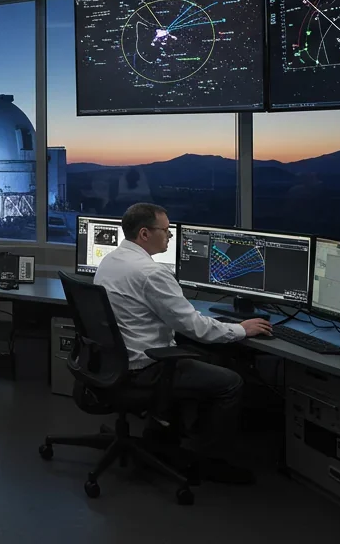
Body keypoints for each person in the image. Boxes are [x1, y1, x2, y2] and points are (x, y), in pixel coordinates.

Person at [93, 202, 272, 484]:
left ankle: (162, 435)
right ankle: (208, 461)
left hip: (112, 362)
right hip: (144, 367)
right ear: (144, 234)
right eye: (165, 231)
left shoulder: (112, 260)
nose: (170, 237)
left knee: (203, 359)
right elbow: (194, 326)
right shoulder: (151, 273)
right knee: (230, 382)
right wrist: (241, 329)